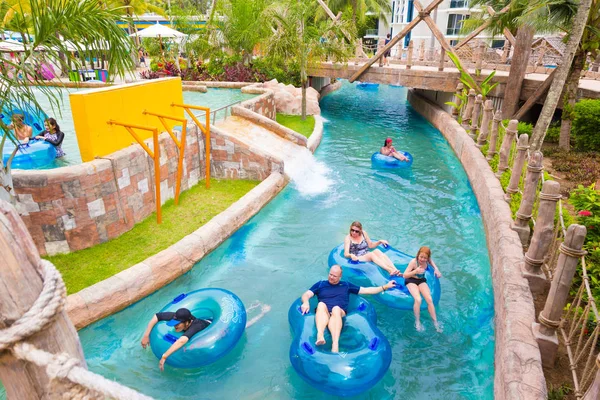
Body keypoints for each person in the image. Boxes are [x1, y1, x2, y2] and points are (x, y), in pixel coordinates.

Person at [301, 265, 396, 353]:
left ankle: (335, 344)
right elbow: (307, 294)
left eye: (334, 276)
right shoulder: (320, 284)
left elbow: (366, 290)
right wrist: (305, 302)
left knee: (336, 309)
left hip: (339, 312)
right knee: (321, 304)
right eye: (330, 274)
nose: (331, 277)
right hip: (324, 312)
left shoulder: (346, 285)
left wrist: (385, 287)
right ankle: (320, 335)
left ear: (340, 277)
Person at [140, 308, 211, 371]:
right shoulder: (177, 317)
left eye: (177, 324)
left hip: (210, 328)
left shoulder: (196, 326)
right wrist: (146, 335)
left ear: (186, 323)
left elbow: (182, 340)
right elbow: (157, 316)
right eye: (174, 323)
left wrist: (164, 356)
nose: (174, 326)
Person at [403, 246, 443, 332]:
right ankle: (417, 321)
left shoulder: (427, 260)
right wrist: (415, 271)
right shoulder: (413, 262)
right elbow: (405, 275)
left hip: (421, 280)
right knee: (418, 299)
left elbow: (431, 262)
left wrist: (436, 269)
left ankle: (435, 322)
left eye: (425, 258)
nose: (422, 259)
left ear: (428, 258)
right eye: (421, 257)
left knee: (429, 299)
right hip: (411, 280)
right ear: (418, 255)